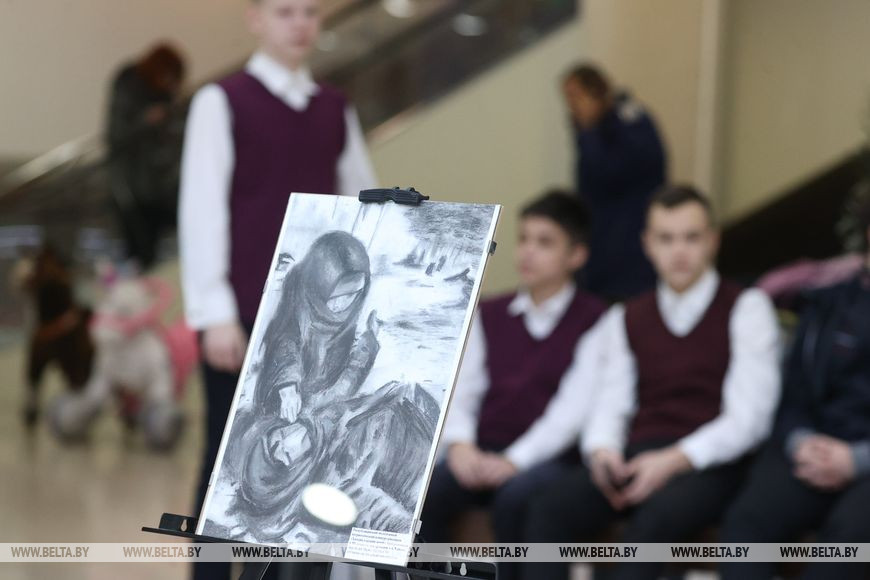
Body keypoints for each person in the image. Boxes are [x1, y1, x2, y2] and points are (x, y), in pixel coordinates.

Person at [178, 0, 376, 578]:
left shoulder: (334, 107)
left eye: (311, 12)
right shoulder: (222, 100)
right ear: (255, 18)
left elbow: (360, 197)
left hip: (313, 328)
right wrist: (215, 311)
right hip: (241, 316)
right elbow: (201, 209)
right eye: (285, 11)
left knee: (300, 469)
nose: (300, 23)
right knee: (225, 463)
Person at [522, 185, 781, 580]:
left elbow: (749, 420)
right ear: (648, 244)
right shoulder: (626, 317)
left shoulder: (747, 308)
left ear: (712, 241)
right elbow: (611, 402)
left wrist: (673, 460)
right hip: (637, 457)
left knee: (652, 524)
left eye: (691, 237)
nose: (679, 251)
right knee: (548, 509)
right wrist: (603, 452)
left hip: (712, 463)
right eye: (666, 238)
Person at [421, 191, 607, 580]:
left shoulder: (597, 319)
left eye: (544, 242)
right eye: (523, 239)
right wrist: (461, 445)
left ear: (576, 255)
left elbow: (571, 411)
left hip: (549, 458)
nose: (527, 251)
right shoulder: (489, 312)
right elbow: (464, 389)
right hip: (483, 449)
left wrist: (514, 461)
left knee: (518, 497)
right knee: (428, 492)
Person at [719, 198, 870, 580]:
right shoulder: (827, 300)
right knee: (745, 526)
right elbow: (793, 394)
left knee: (843, 551)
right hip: (813, 448)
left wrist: (856, 460)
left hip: (864, 461)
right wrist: (800, 441)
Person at [563, 63, 666, 301]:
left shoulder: (628, 118)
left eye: (576, 96)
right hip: (601, 245)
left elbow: (611, 173)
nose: (572, 106)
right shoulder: (589, 132)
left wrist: (589, 132)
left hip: (631, 241)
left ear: (595, 91)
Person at [107, 43, 186, 270]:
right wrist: (146, 120)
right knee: (141, 252)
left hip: (160, 188)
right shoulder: (129, 87)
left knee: (156, 254)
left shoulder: (164, 97)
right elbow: (116, 135)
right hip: (134, 187)